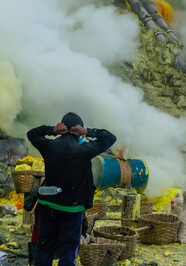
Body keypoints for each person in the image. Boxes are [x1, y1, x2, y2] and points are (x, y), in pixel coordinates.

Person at [27, 112, 116, 266]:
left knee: (45, 246)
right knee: (68, 249)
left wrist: (51, 130)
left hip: (48, 205)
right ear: (78, 130)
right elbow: (110, 138)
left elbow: (32, 134)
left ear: (62, 128)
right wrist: (88, 131)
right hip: (73, 209)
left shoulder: (49, 146)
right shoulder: (85, 149)